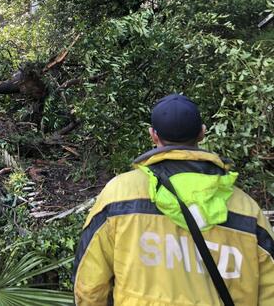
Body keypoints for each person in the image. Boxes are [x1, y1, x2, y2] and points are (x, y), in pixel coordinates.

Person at [72, 94, 274, 305]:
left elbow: (89, 285)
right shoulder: (246, 209)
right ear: (202, 133)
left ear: (153, 135)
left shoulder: (120, 194)